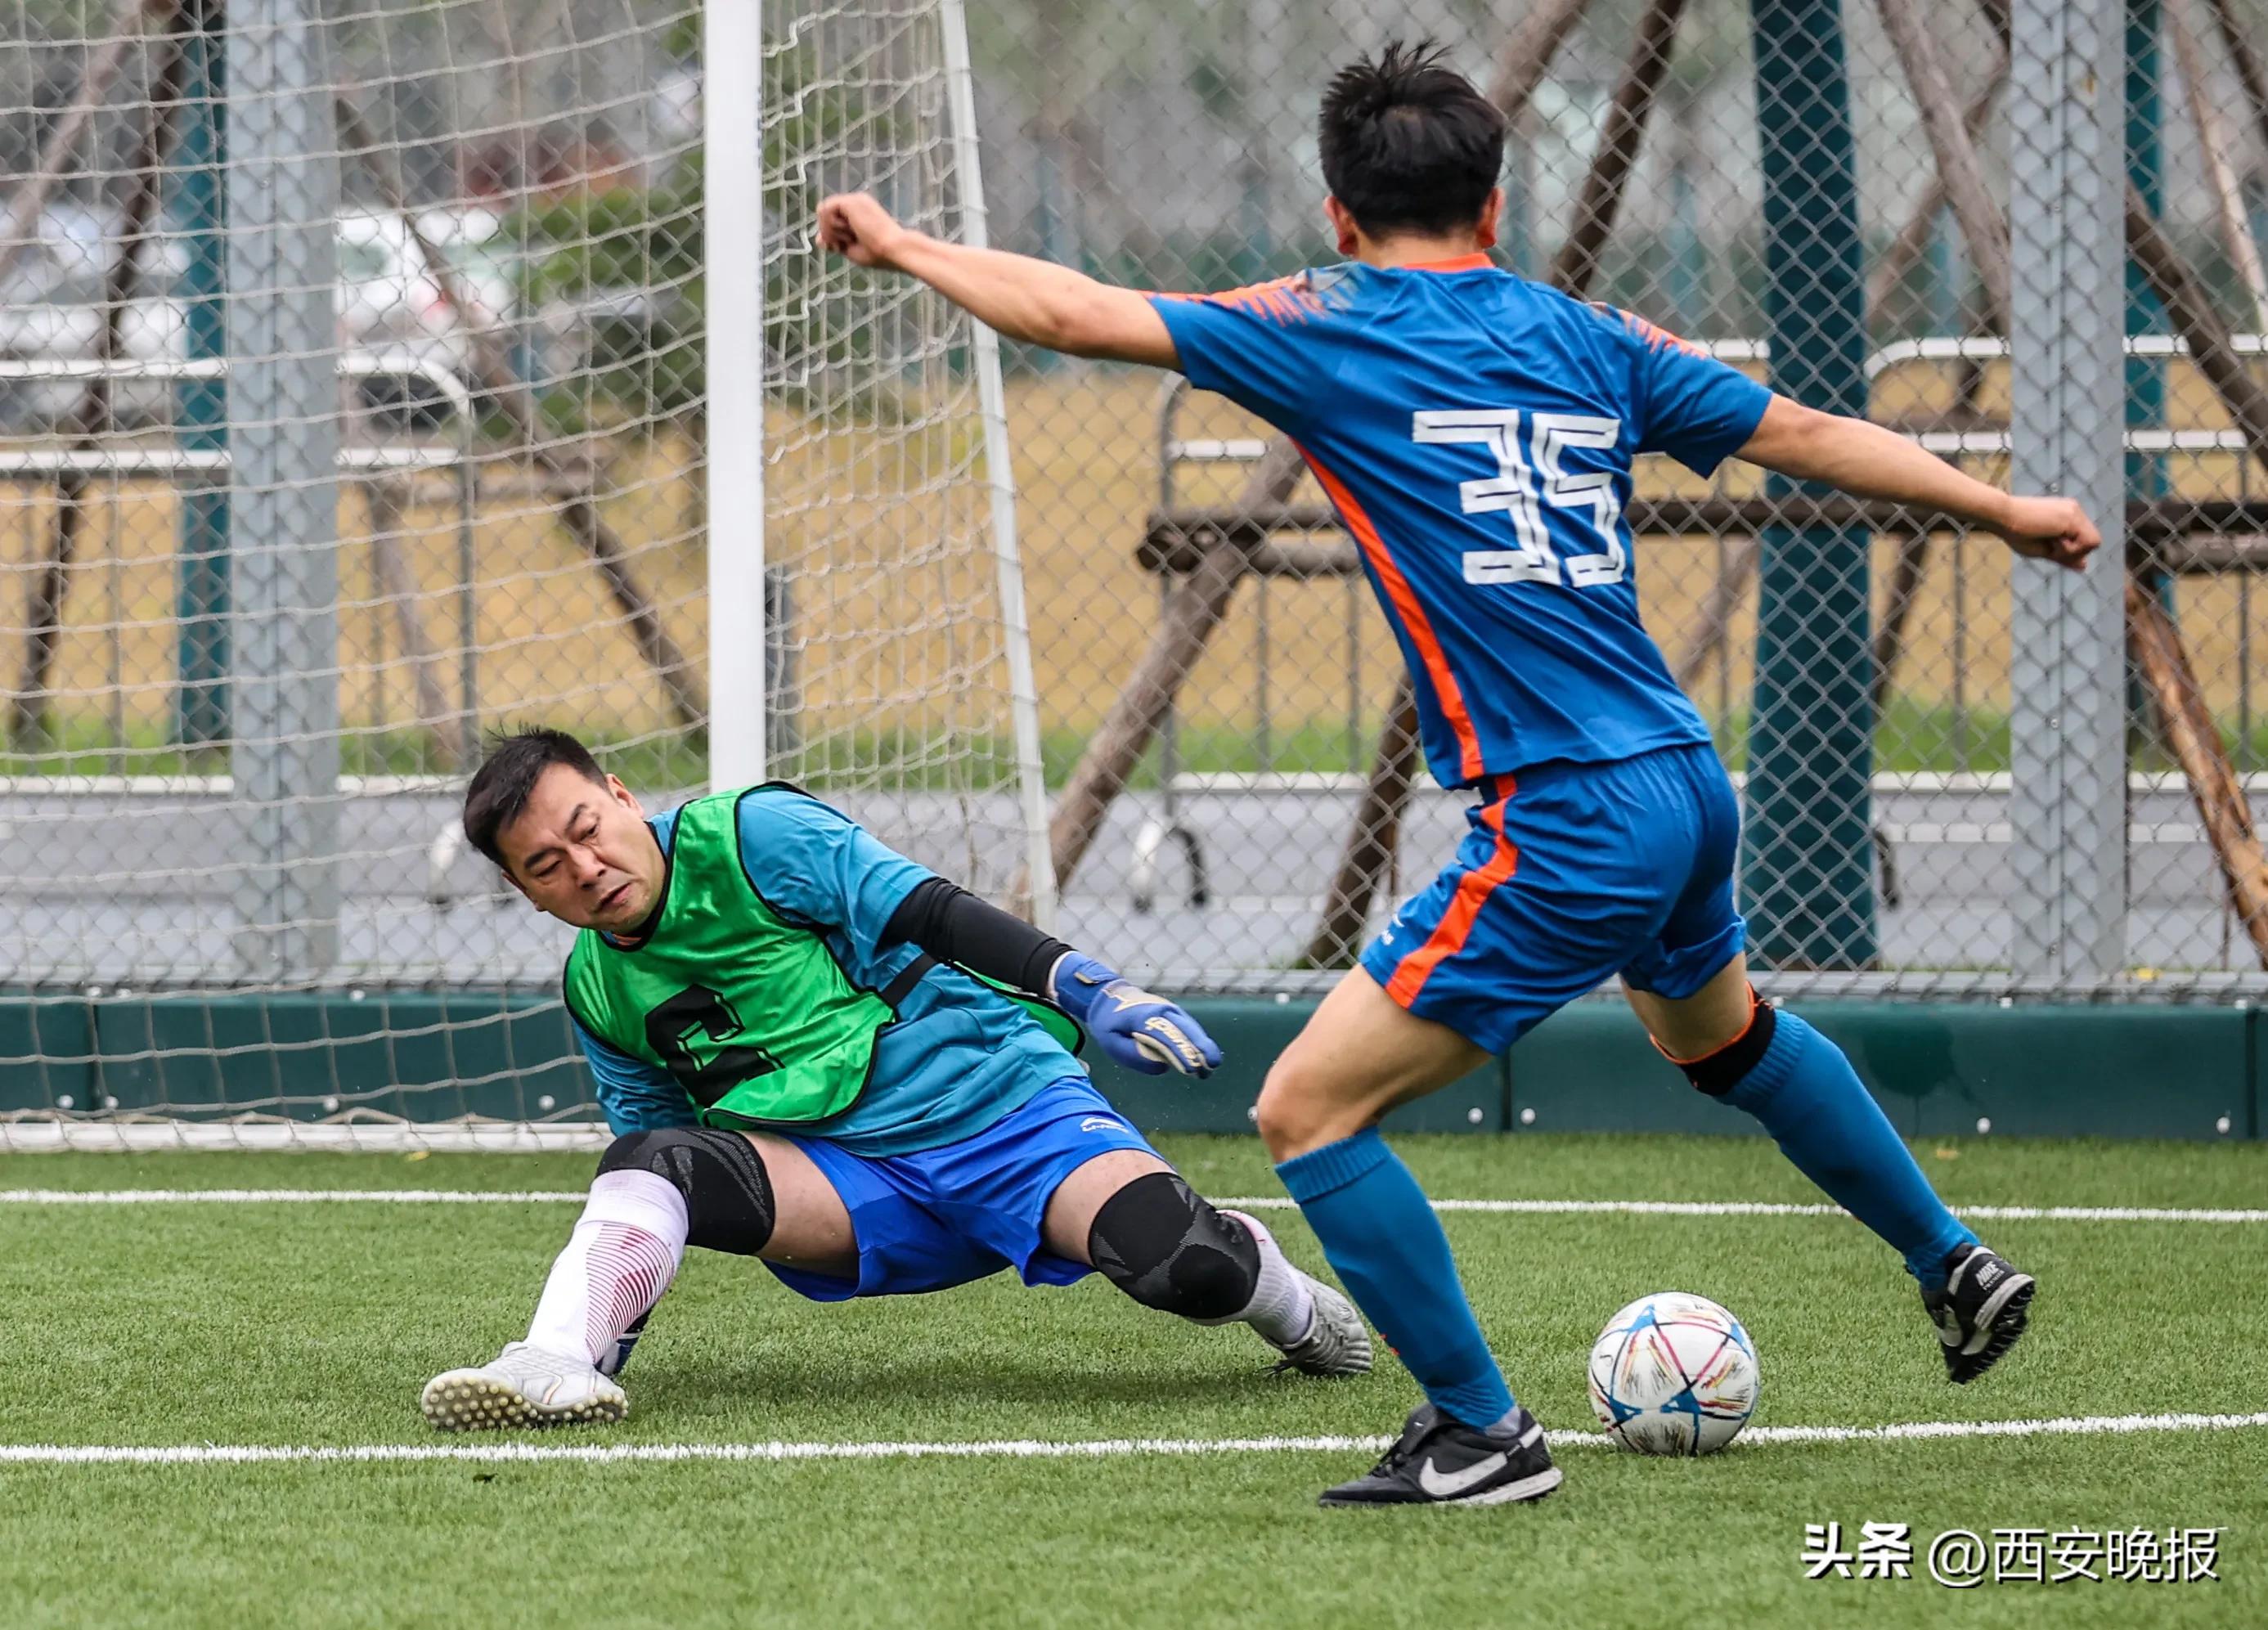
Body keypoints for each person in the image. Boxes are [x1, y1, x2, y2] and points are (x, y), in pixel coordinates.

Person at [816, 40, 2093, 1507]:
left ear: (1337, 210)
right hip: (1683, 778)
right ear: (1494, 205)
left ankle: (1481, 1431)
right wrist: (2001, 509)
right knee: (1723, 1039)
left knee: (1306, 1111)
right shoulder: (1586, 335)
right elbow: (1801, 433)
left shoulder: (1322, 324)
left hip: (1568, 813)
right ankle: (1950, 1259)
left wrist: (905, 243)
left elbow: (1077, 311)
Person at [419, 728, 1369, 1431]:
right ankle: (548, 1357)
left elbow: (932, 912)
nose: (587, 868)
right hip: (844, 1188)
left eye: (588, 828)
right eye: (548, 866)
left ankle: (1272, 1285)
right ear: (526, 893)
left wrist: (1089, 987)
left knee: (1190, 1269)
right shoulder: (596, 989)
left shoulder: (754, 834)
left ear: (620, 795)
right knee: (650, 1159)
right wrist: (598, 1337)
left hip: (1001, 1114)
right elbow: (657, 1167)